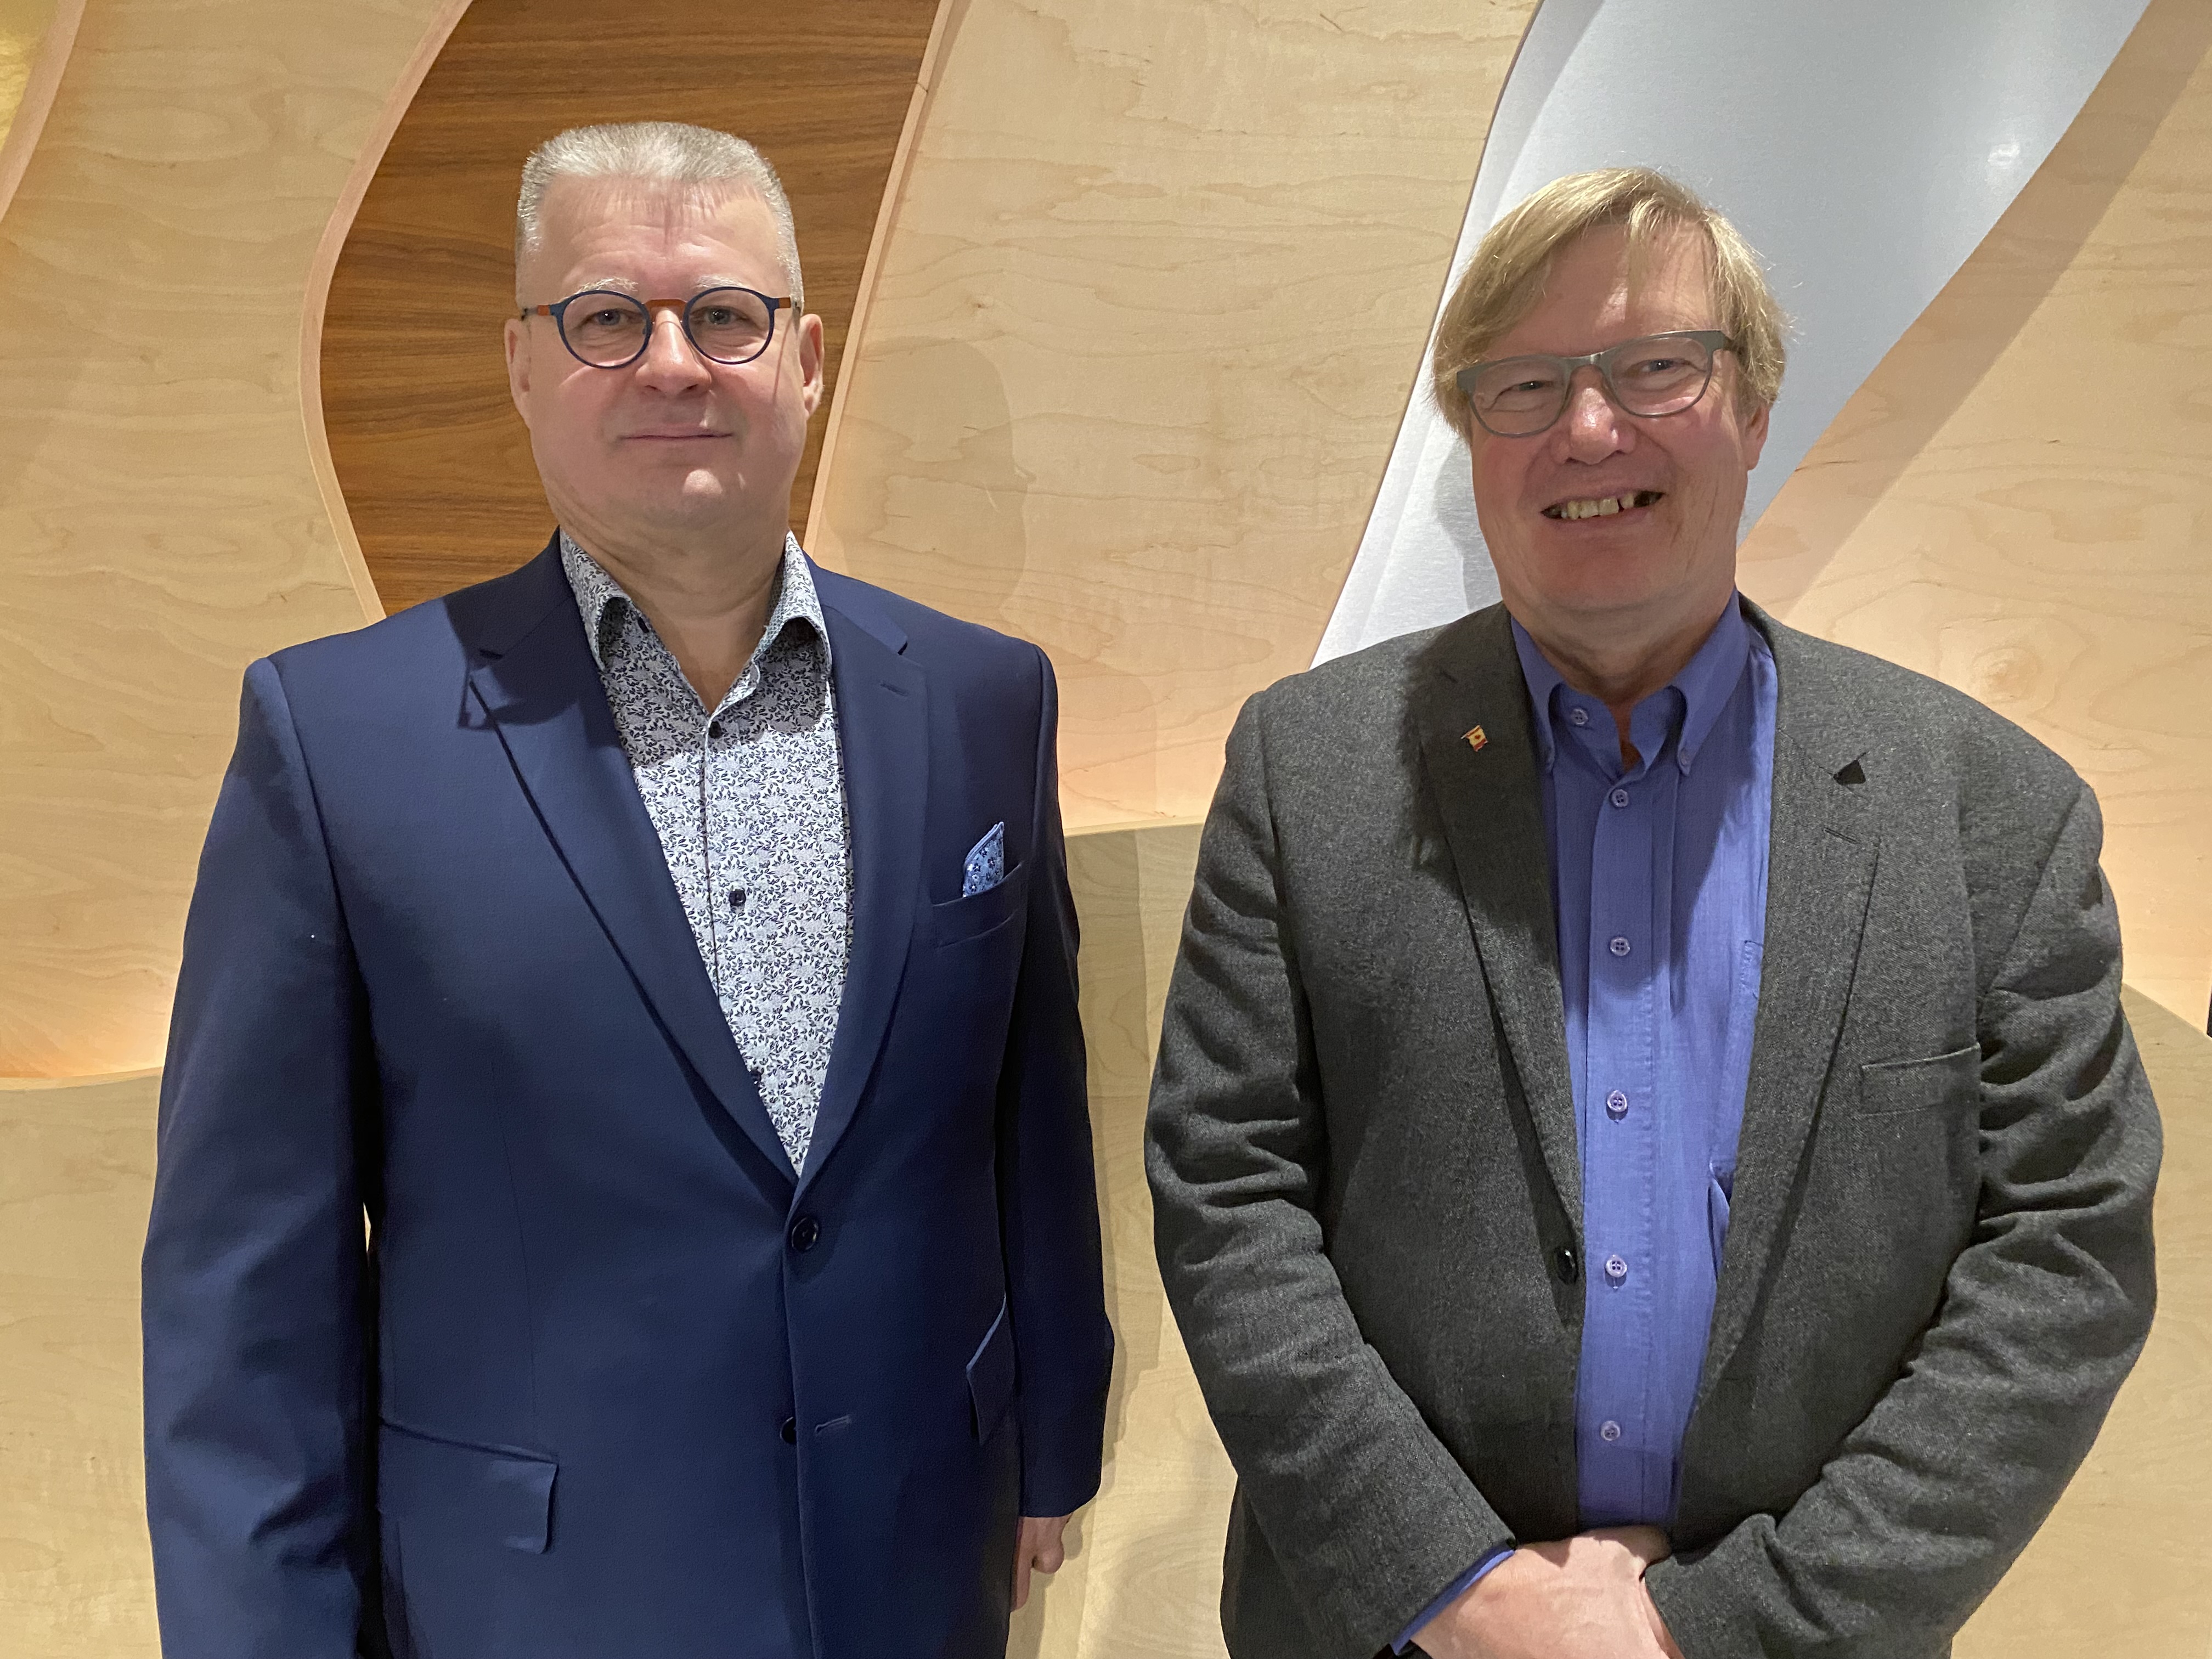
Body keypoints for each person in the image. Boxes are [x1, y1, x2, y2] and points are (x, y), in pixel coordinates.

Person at [1144, 167, 2159, 1659]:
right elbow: (1227, 1194)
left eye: (1656, 367)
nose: (1589, 428)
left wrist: (1721, 1632)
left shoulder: (1991, 812)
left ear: (1752, 409)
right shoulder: (1308, 771)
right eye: (1524, 384)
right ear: (1472, 442)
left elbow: (2066, 1256)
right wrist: (1466, 1598)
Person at [142, 121, 1111, 1659]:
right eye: (606, 318)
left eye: (726, 315)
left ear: (807, 362)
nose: (673, 365)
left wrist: (1052, 1436)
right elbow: (244, 1298)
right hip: (534, 1602)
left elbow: (1026, 1108)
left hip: (918, 1559)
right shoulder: (334, 743)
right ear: (523, 365)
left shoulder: (986, 698)